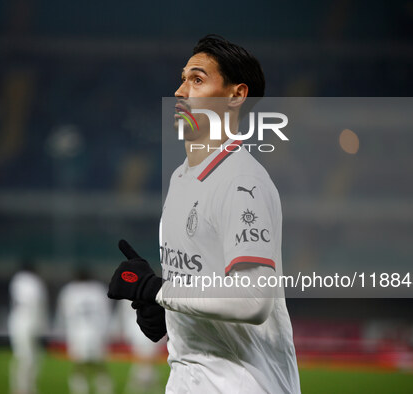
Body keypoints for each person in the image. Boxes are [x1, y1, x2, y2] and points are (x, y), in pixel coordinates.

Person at [108, 35, 301, 393]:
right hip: (189, 381)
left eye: (197, 79)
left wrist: (160, 291)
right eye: (182, 79)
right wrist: (167, 318)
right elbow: (199, 284)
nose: (180, 91)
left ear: (236, 95)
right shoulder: (181, 177)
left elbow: (253, 300)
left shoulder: (243, 182)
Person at [56, 268, 113, 394]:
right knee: (100, 367)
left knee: (79, 367)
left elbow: (64, 315)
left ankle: (80, 390)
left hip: (78, 335)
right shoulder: (98, 290)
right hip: (97, 334)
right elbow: (106, 314)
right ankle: (104, 390)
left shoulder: (69, 291)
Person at [8, 260, 48, 394]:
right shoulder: (34, 281)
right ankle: (24, 388)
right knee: (30, 357)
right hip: (29, 319)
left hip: (17, 319)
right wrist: (43, 325)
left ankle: (22, 388)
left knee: (24, 356)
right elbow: (37, 303)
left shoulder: (16, 280)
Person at [117, 300, 164, 394]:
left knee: (146, 361)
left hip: (147, 327)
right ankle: (143, 385)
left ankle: (139, 386)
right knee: (145, 360)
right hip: (137, 328)